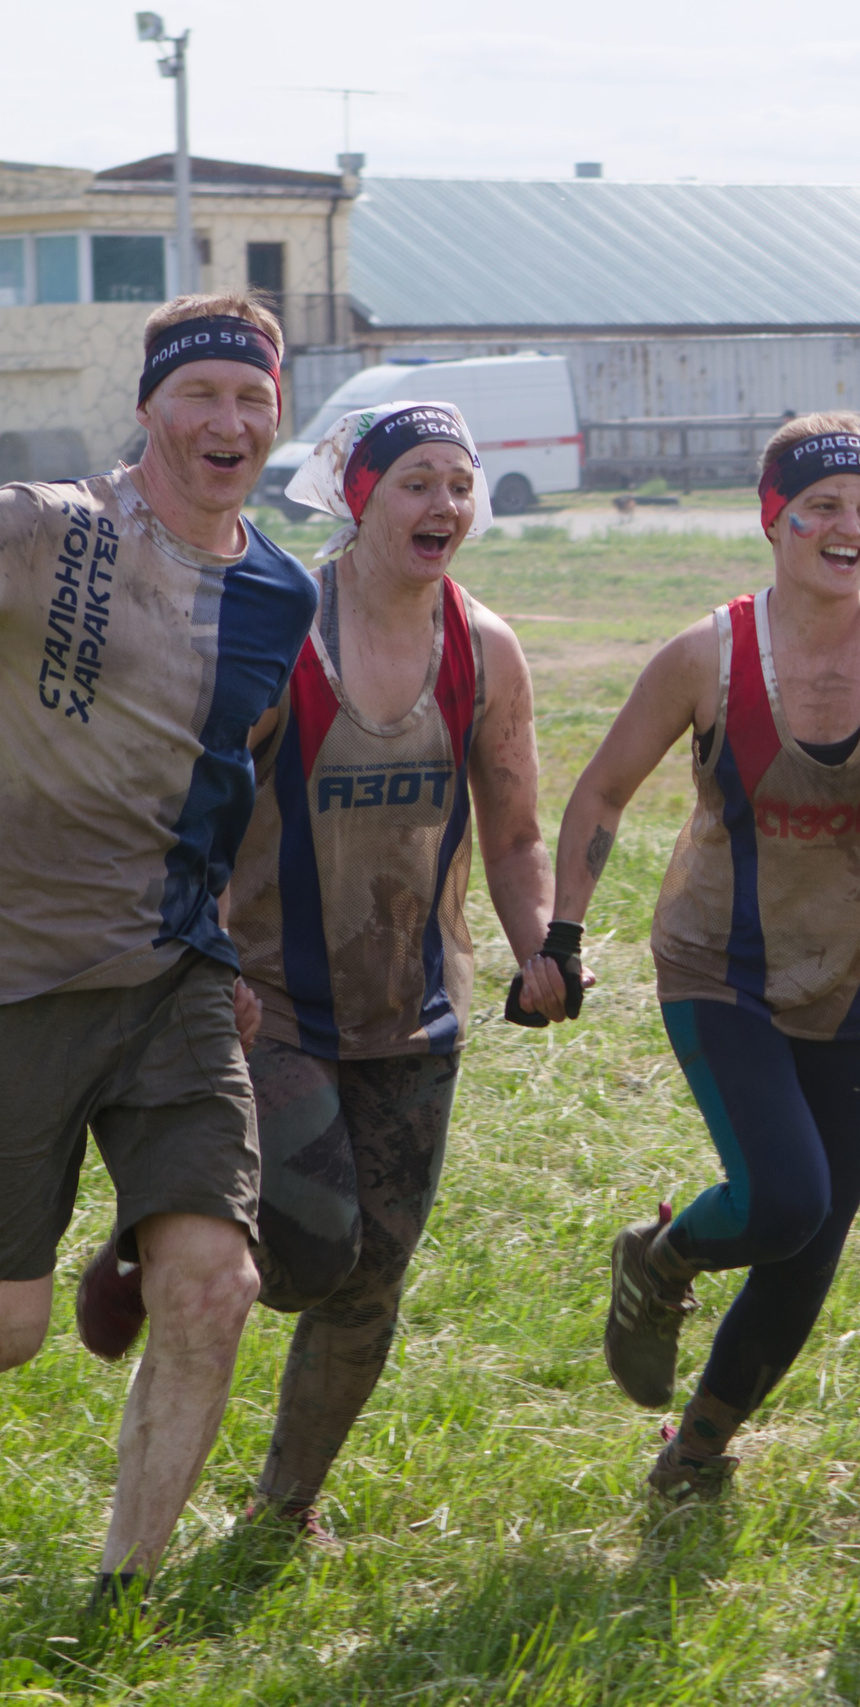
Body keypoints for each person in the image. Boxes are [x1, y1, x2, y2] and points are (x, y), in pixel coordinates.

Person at [78, 401, 559, 1546]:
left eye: (459, 483)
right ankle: (157, 1240)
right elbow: (192, 813)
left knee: (372, 1279)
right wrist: (207, 961)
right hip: (269, 1003)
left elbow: (514, 830)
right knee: (312, 1250)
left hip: (415, 1009)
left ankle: (284, 1506)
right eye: (417, 482)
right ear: (359, 496)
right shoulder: (287, 628)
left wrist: (542, 942)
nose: (444, 504)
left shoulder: (485, 648)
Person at [548, 414, 860, 1502]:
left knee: (811, 1250)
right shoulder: (707, 656)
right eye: (823, 507)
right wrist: (561, 935)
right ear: (774, 519)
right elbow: (601, 790)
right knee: (786, 1198)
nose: (850, 527)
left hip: (855, 978)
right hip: (721, 969)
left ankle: (695, 1453)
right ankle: (660, 1258)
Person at [0, 294, 318, 1607]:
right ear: (149, 408)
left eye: (252, 398)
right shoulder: (46, 528)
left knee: (212, 1284)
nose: (227, 421)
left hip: (176, 978)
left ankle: (122, 1595)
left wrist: (224, 948)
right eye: (201, 394)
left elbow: (225, 783)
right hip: (21, 975)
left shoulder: (281, 593)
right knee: (12, 1328)